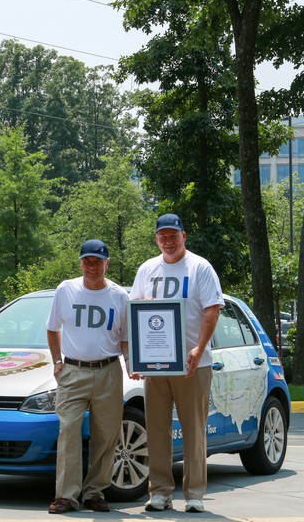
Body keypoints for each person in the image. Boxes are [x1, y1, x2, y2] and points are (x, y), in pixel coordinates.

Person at [130, 214, 223, 514]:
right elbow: (137, 314)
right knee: (156, 429)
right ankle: (160, 492)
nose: (168, 241)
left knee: (194, 429)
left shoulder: (200, 267)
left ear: (184, 236)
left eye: (173, 235)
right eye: (162, 236)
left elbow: (212, 310)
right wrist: (137, 356)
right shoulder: (147, 269)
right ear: (156, 239)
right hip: (156, 366)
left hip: (193, 364)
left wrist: (199, 347)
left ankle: (194, 493)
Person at [45, 239, 131, 514]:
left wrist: (131, 364)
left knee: (106, 435)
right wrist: (57, 361)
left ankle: (95, 493)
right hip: (73, 371)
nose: (92, 267)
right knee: (68, 431)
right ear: (80, 263)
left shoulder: (119, 296)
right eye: (87, 261)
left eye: (97, 261)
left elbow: (126, 338)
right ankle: (66, 496)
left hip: (108, 371)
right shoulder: (66, 290)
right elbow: (52, 328)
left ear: (107, 263)